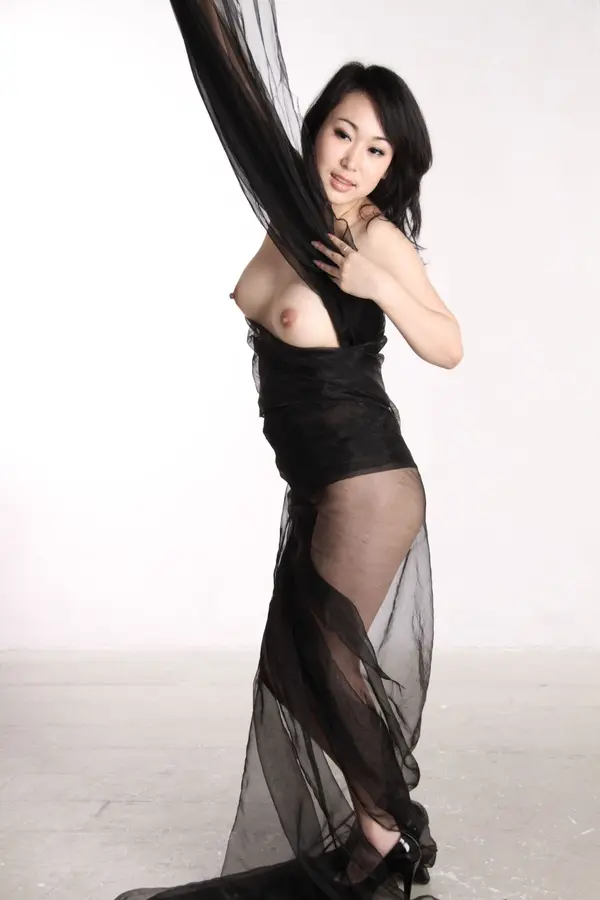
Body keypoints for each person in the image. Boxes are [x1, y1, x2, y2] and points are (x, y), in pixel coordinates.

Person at [115, 2, 463, 899]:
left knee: (324, 658)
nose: (353, 160)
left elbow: (449, 344)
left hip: (367, 485)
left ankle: (389, 835)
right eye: (343, 134)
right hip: (316, 486)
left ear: (393, 166)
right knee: (299, 663)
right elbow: (236, 85)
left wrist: (379, 282)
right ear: (314, 133)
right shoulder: (291, 210)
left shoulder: (372, 235)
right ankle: (383, 834)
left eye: (377, 149)